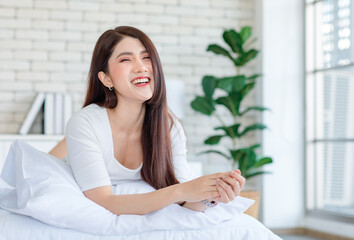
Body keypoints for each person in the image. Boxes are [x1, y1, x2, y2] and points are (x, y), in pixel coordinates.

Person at [49, 26, 245, 216]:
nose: (141, 67)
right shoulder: (86, 123)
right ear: (106, 79)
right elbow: (103, 201)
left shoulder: (169, 126)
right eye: (126, 59)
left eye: (147, 57)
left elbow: (185, 203)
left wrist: (212, 195)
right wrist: (179, 191)